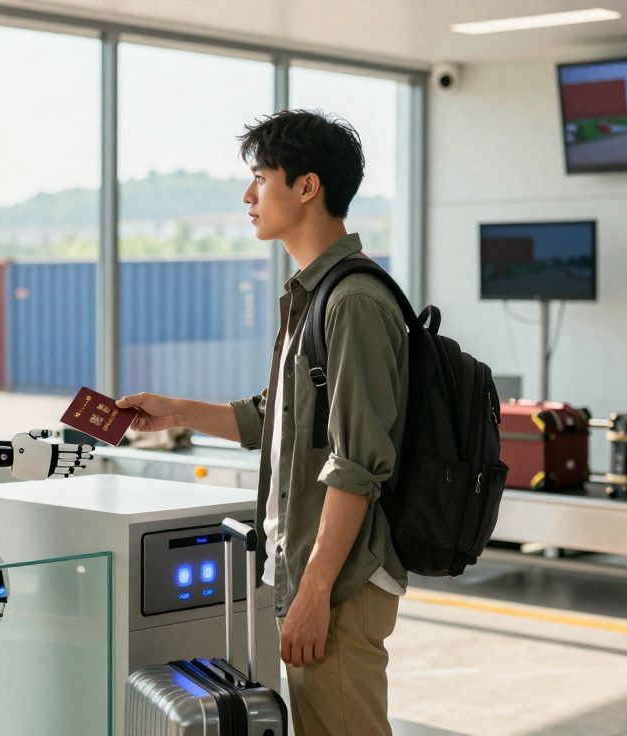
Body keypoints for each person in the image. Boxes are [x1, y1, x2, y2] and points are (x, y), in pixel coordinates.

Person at [116, 109, 408, 736]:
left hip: (340, 581)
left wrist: (314, 593)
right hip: (315, 573)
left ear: (307, 186)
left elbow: (356, 465)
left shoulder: (351, 300)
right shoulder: (312, 294)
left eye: (260, 178)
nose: (248, 197)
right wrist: (174, 411)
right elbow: (273, 420)